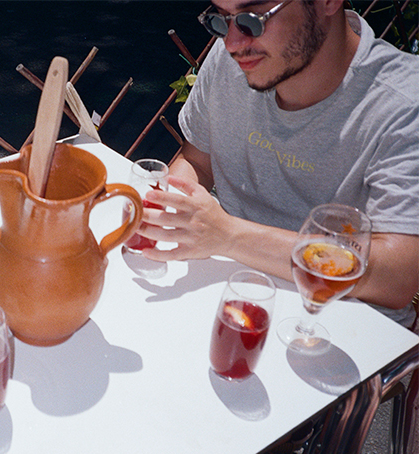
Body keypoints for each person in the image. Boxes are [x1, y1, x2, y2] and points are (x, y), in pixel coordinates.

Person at [140, 0, 419, 326]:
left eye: (252, 19)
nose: (232, 43)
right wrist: (166, 210)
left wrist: (229, 236)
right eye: (222, 19)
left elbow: (397, 279)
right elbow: (197, 161)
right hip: (226, 292)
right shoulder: (239, 59)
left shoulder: (404, 105)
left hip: (340, 329)